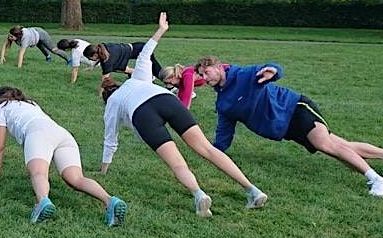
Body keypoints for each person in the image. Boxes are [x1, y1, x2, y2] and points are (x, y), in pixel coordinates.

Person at [100, 14, 267, 218]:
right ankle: (252, 190)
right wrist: (161, 30)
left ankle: (199, 195)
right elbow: (145, 54)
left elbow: (110, 141)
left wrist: (104, 169)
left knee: (178, 163)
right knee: (207, 149)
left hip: (143, 115)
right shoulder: (137, 79)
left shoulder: (112, 105)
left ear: (107, 97)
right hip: (165, 99)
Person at [195, 55, 383, 197]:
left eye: (207, 72)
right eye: (202, 76)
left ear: (218, 67)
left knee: (327, 146)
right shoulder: (223, 103)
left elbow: (270, 68)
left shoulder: (242, 74)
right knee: (338, 145)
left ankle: (378, 181)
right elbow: (224, 132)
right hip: (286, 128)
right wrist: (213, 151)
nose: (205, 78)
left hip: (295, 108)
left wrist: (272, 70)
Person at [0, 86, 126, 226]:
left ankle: (43, 202)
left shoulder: (2, 107)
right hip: (62, 134)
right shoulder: (31, 103)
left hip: (37, 133)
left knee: (39, 173)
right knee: (77, 178)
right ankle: (110, 200)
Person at [82, 40, 163, 80]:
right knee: (120, 68)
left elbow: (105, 79)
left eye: (90, 58)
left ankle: (168, 81)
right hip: (138, 47)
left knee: (156, 70)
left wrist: (101, 94)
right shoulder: (103, 48)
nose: (89, 59)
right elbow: (100, 59)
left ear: (95, 54)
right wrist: (92, 66)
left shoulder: (107, 60)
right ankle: (149, 77)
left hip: (141, 49)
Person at [0, 26, 67, 67]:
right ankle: (48, 57)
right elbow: (5, 45)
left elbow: (21, 54)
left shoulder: (25, 38)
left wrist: (19, 67)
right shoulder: (13, 35)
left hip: (41, 34)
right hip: (34, 35)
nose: (9, 37)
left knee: (54, 50)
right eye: (9, 35)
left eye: (11, 36)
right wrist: (2, 58)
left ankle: (69, 60)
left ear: (17, 36)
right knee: (39, 45)